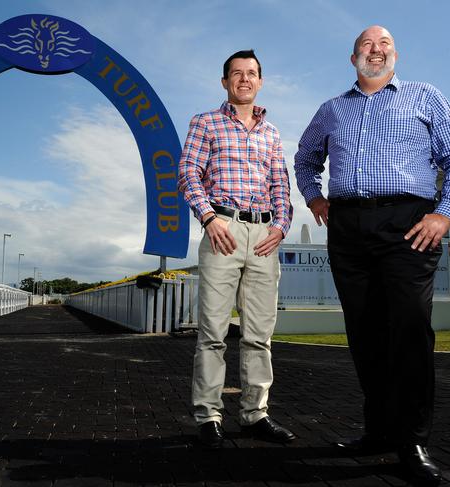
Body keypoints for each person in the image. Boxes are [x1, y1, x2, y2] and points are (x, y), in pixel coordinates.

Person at [294, 26, 450, 485]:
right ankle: (378, 431)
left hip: (408, 225)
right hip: (349, 227)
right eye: (366, 46)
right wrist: (315, 198)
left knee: (410, 329)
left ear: (397, 54)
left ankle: (412, 440)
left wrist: (445, 214)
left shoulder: (424, 96)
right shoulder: (331, 109)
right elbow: (304, 157)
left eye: (384, 45)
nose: (375, 52)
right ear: (352, 56)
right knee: (365, 332)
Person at [178, 50, 295, 448]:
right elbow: (188, 173)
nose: (244, 79)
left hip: (264, 236)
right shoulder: (205, 122)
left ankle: (254, 414)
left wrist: (281, 225)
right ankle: (208, 416)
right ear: (225, 81)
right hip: (222, 230)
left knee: (259, 335)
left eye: (251, 74)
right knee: (212, 332)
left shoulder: (272, 133)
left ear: (260, 81)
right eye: (236, 74)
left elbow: (280, 184)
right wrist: (210, 219)